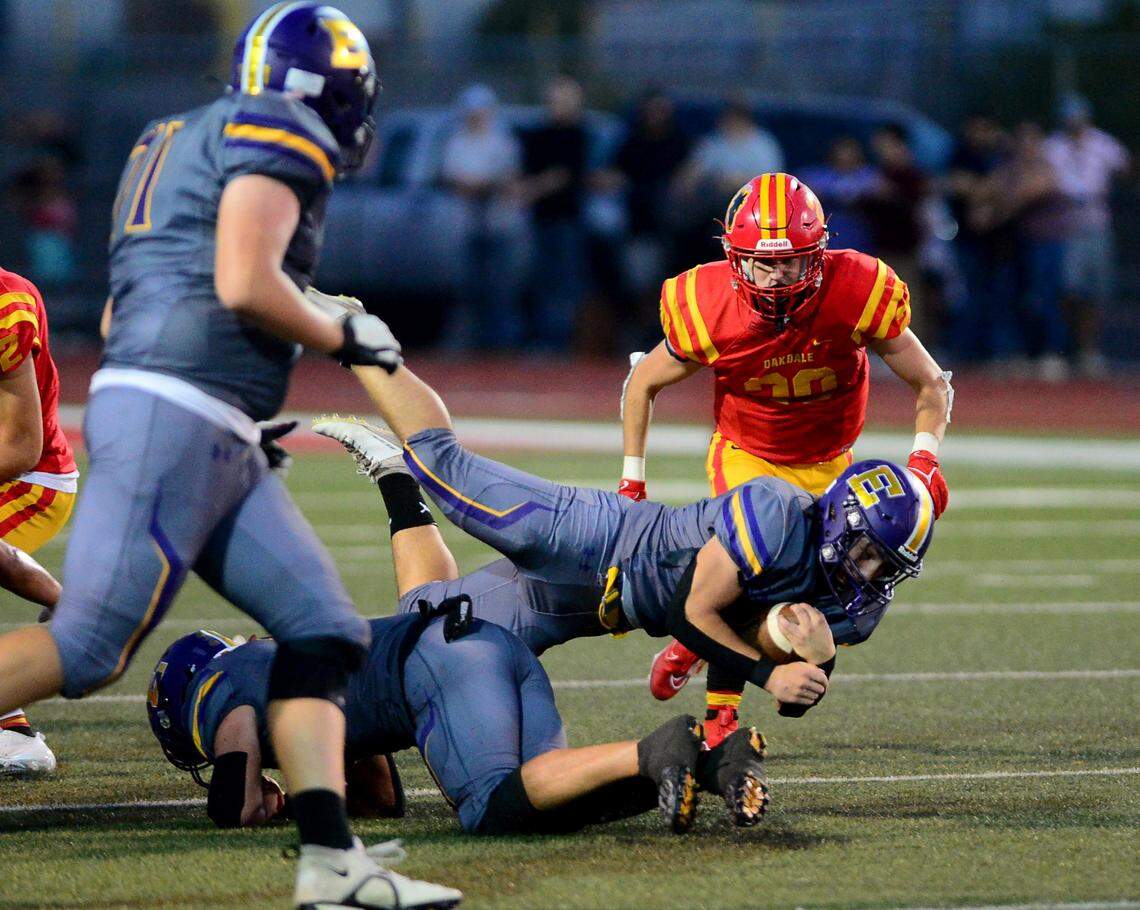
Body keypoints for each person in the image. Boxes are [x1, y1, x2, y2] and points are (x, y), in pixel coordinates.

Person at [0, 5, 459, 909]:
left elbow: (126, 306)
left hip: (197, 416)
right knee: (90, 644)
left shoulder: (171, 135)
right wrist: (345, 333)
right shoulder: (281, 129)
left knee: (327, 632)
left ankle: (333, 865)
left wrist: (230, 414)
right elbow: (245, 283)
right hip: (181, 412)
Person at [302, 336, 934, 731]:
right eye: (871, 557)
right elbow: (693, 615)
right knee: (447, 468)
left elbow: (778, 674)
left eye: (889, 568)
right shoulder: (775, 510)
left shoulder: (856, 609)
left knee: (425, 628)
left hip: (597, 607)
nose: (874, 577)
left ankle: (391, 478)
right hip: (598, 539)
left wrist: (813, 665)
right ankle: (358, 337)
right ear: (839, 523)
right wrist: (770, 676)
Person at [619, 172, 952, 747]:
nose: (776, 279)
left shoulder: (857, 288)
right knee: (758, 582)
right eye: (762, 264)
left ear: (818, 254)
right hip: (747, 454)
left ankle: (694, 636)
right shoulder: (708, 302)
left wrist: (924, 462)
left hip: (830, 463)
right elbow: (642, 384)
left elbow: (932, 384)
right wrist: (631, 481)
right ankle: (721, 717)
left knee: (824, 601)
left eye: (791, 263)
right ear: (733, 255)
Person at [0, 267, 78, 776]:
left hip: (32, 477)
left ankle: (13, 731)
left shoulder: (5, 306)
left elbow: (21, 448)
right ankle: (68, 606)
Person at [1043, 94, 1131, 377]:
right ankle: (1067, 347)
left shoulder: (1101, 143)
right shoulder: (1053, 146)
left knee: (1095, 291)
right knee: (1068, 289)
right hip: (1063, 224)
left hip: (1096, 221)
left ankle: (1090, 351)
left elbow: (1125, 167)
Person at [439, 84, 526, 350]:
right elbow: (453, 178)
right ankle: (469, 341)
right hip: (467, 225)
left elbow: (509, 178)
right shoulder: (457, 141)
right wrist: (478, 185)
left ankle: (501, 343)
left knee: (501, 287)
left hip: (499, 224)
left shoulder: (503, 142)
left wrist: (483, 185)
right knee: (469, 286)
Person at [519, 76, 590, 350]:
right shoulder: (538, 134)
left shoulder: (578, 135)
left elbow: (564, 175)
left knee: (565, 281)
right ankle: (543, 338)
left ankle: (559, 340)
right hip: (541, 219)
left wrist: (532, 188)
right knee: (541, 280)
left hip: (568, 219)